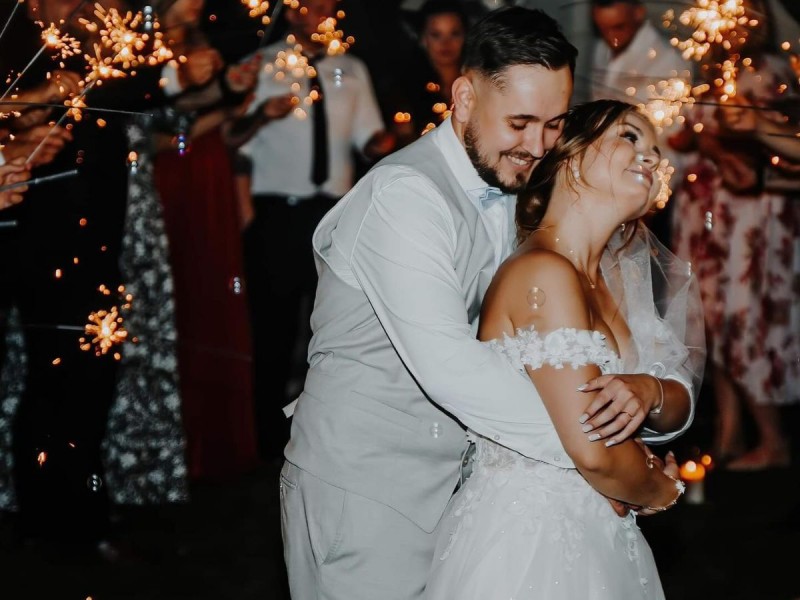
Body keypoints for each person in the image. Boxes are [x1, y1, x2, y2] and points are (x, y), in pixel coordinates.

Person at [281, 8, 698, 599]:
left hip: (467, 496)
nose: (537, 146)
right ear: (464, 97)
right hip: (369, 491)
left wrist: (636, 417)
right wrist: (609, 465)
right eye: (520, 123)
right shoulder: (405, 196)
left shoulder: (513, 189)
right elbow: (452, 368)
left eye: (553, 125)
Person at [423, 98, 705, 599]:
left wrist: (650, 390)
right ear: (570, 157)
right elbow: (594, 449)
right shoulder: (544, 273)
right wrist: (662, 489)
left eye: (655, 150)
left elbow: (679, 393)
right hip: (532, 540)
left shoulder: (611, 282)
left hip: (600, 530)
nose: (651, 157)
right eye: (629, 137)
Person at [225, 0, 394, 461]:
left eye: (326, 3)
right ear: (290, 10)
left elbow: (368, 138)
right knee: (273, 328)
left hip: (335, 214)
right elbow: (230, 138)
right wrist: (263, 115)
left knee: (331, 327)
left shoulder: (351, 68)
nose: (319, 10)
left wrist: (388, 141)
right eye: (309, 2)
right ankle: (265, 439)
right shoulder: (261, 64)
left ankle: (322, 431)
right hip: (277, 212)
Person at [669, 0, 799, 470]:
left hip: (752, 217)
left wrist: (744, 137)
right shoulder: (706, 67)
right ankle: (728, 427)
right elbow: (691, 133)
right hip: (707, 212)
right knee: (710, 318)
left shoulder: (772, 72)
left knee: (745, 320)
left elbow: (785, 142)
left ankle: (773, 438)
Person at [589, 0, 693, 246]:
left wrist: (648, 203)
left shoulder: (668, 62)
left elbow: (670, 145)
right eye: (603, 29)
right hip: (606, 185)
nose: (612, 38)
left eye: (619, 27)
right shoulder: (600, 50)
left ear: (638, 13)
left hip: (648, 196)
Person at [392, 0, 469, 146]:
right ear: (422, 39)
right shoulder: (406, 90)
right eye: (436, 35)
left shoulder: (478, 83)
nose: (446, 43)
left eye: (454, 34)